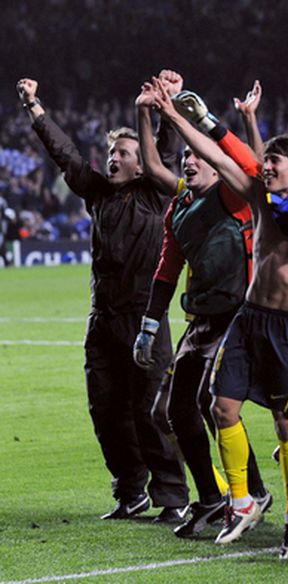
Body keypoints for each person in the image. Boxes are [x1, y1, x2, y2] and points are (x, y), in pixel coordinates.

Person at [151, 78, 288, 559]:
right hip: (249, 319)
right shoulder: (262, 199)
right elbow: (217, 157)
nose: (265, 166)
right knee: (219, 406)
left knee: (286, 424)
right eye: (267, 161)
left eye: (275, 162)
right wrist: (176, 116)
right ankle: (241, 500)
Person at [15, 77, 188, 521]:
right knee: (106, 411)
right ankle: (130, 492)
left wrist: (150, 109)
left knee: (151, 411)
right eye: (111, 153)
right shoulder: (97, 195)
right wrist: (35, 107)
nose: (113, 159)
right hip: (103, 321)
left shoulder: (154, 195)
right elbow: (66, 155)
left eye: (123, 154)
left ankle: (173, 496)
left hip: (144, 318)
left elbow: (165, 154)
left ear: (139, 165)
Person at [132, 76, 271, 539]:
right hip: (203, 319)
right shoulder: (178, 210)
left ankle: (251, 492)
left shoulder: (232, 197)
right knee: (170, 411)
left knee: (216, 404)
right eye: (186, 156)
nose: (189, 160)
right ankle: (211, 497)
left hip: (239, 314)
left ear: (215, 165)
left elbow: (250, 168)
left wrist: (192, 118)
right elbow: (166, 272)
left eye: (197, 156)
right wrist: (150, 326)